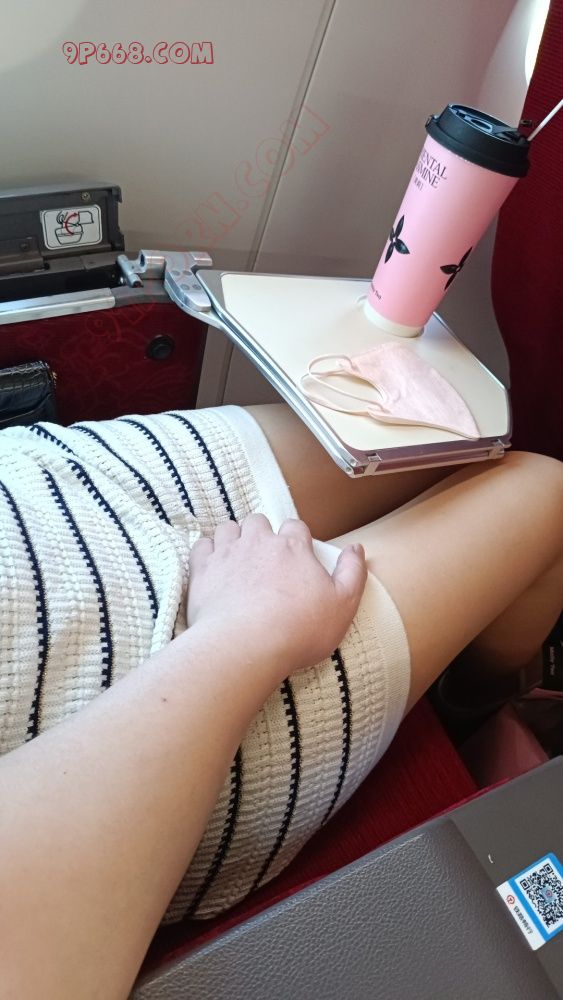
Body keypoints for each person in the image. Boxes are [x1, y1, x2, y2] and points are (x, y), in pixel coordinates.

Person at [0, 401, 561, 1000]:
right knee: (545, 490)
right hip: (144, 705)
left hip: (46, 501)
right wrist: (247, 628)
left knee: (454, 433)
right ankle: (473, 706)